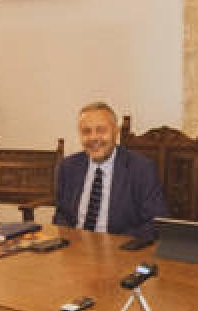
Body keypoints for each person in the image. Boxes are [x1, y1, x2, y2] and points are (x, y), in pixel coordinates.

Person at [53, 102, 169, 241]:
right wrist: (71, 239)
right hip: (75, 248)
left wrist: (116, 244)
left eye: (101, 130)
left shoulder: (141, 169)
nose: (94, 138)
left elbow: (156, 223)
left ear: (116, 132)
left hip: (120, 250)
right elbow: (61, 215)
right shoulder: (68, 166)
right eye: (86, 131)